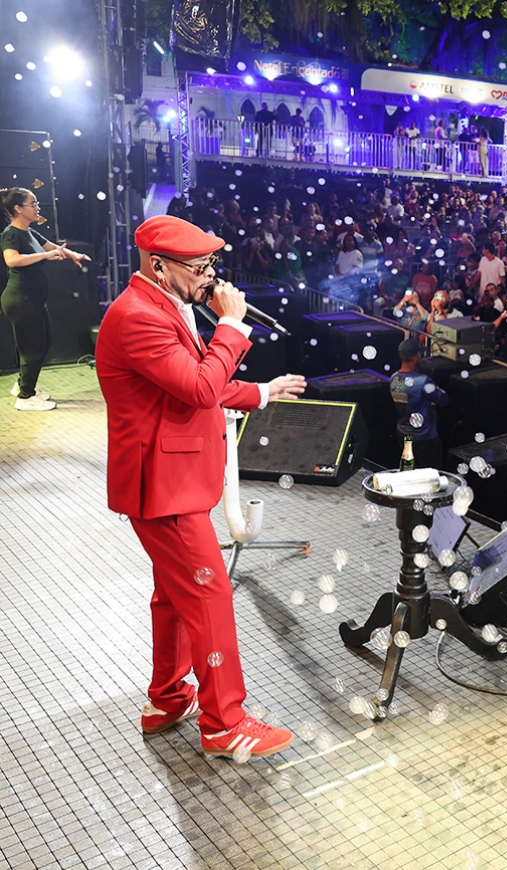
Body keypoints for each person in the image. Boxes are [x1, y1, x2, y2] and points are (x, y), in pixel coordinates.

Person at [96, 215, 306, 759]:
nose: (210, 276)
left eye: (211, 264)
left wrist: (261, 391)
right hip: (163, 487)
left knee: (174, 594)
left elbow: (195, 384)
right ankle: (224, 723)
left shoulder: (164, 306)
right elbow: (196, 387)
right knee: (209, 595)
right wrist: (232, 328)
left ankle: (168, 698)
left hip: (172, 481)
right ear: (159, 267)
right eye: (200, 266)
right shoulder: (137, 317)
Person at [2, 187, 87, 410]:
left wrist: (73, 255)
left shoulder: (30, 232)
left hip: (33, 299)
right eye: (34, 204)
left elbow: (54, 248)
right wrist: (46, 256)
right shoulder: (11, 234)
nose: (38, 208)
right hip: (20, 299)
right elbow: (12, 260)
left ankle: (23, 384)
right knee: (33, 347)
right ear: (18, 209)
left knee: (43, 342)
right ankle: (25, 398)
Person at [391, 339, 449, 468]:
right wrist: (430, 400)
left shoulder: (393, 379)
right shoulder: (422, 381)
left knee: (409, 470)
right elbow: (443, 399)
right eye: (419, 354)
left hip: (403, 434)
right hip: (424, 438)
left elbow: (408, 398)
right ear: (414, 357)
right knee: (429, 474)